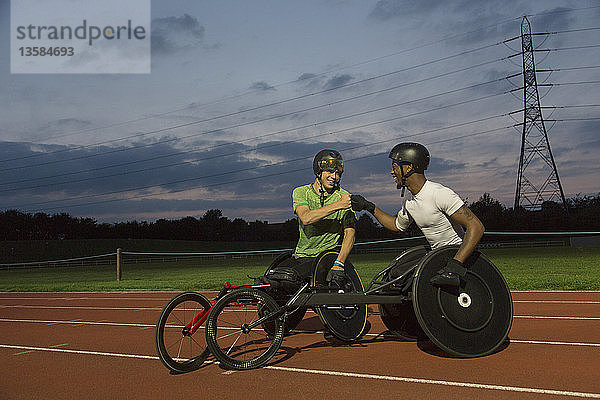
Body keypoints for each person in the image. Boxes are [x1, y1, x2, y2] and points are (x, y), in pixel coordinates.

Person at [350, 142, 484, 287]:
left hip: (456, 255)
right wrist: (369, 207)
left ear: (409, 167)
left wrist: (455, 265)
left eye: (395, 167)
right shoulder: (409, 201)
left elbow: (476, 227)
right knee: (395, 276)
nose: (392, 172)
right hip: (436, 255)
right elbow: (397, 225)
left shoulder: (439, 194)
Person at [289, 149, 357, 288]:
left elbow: (350, 234)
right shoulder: (301, 192)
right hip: (301, 256)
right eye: (330, 172)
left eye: (338, 173)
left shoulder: (344, 197)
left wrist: (340, 262)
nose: (334, 177)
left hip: (328, 258)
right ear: (318, 172)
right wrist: (338, 205)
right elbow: (306, 218)